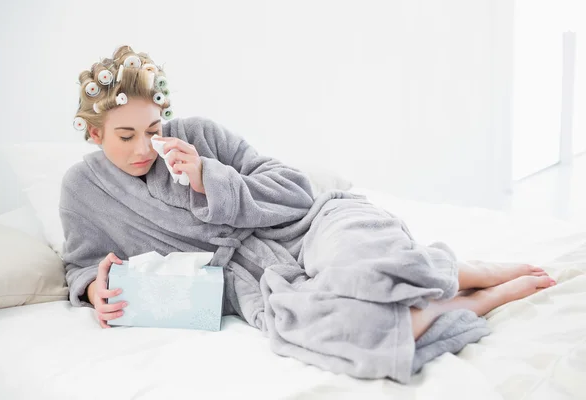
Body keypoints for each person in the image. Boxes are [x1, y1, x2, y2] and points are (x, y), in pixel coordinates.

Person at [61, 45, 556, 383]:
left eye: (152, 128)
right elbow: (81, 264)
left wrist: (209, 179)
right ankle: (474, 302)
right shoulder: (81, 191)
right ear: (93, 133)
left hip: (311, 227)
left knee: (362, 263)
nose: (145, 145)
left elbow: (295, 190)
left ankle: (465, 270)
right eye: (126, 136)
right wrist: (94, 289)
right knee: (333, 328)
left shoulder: (198, 135)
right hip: (258, 280)